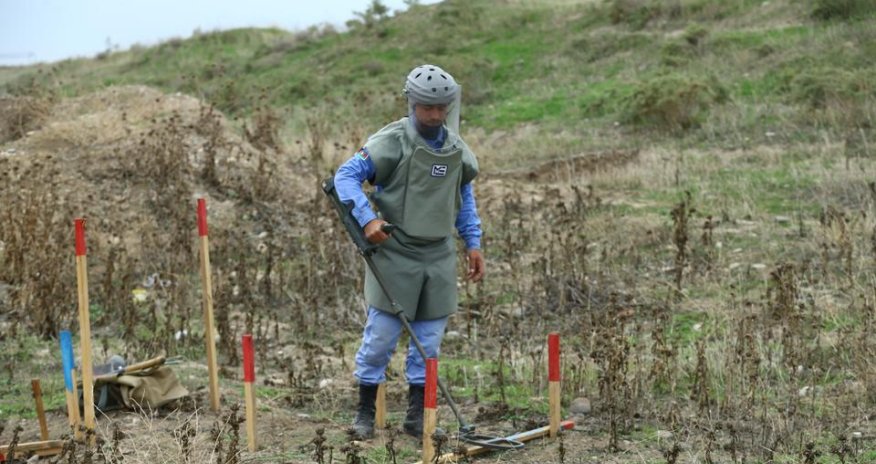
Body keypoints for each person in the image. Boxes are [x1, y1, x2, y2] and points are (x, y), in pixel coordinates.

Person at [333, 64, 485, 439]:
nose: (435, 115)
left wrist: (473, 242)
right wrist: (367, 219)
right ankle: (365, 412)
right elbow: (344, 177)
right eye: (426, 107)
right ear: (411, 103)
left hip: (438, 254)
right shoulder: (391, 141)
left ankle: (418, 416)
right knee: (381, 336)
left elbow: (463, 196)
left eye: (441, 108)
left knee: (429, 341)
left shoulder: (455, 147)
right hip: (394, 252)